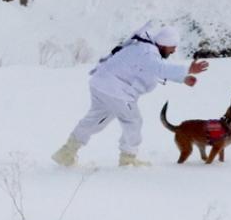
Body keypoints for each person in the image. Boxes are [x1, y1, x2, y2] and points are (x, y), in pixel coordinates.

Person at [52, 24, 209, 168]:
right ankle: (128, 159)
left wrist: (182, 78)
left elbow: (153, 70)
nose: (173, 51)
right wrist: (188, 69)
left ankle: (67, 152)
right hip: (116, 91)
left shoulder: (143, 49)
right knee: (133, 121)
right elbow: (158, 68)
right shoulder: (147, 52)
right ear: (164, 44)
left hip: (101, 85)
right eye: (172, 47)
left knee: (94, 120)